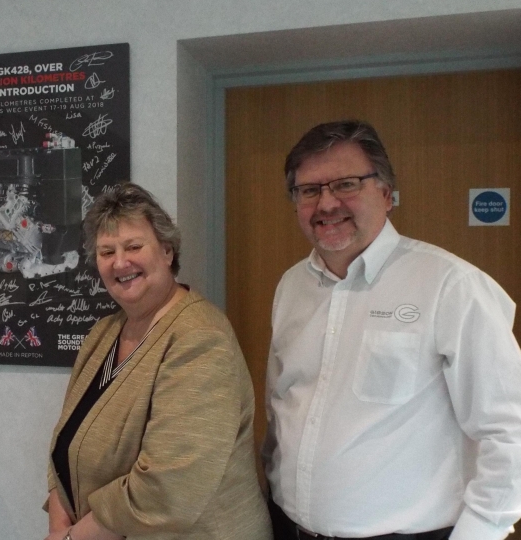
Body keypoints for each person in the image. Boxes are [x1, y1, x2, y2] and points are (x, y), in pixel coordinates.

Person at [263, 120, 521, 540]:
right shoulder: (292, 286)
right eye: (309, 190)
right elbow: (281, 405)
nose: (326, 204)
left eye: (346, 184)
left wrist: (481, 531)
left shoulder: (450, 286)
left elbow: (509, 429)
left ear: (385, 194)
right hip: (291, 527)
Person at [45, 183, 272, 540]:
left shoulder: (200, 337)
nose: (120, 262)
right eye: (107, 252)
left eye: (134, 246)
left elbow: (168, 488)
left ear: (167, 251)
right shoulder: (103, 333)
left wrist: (73, 538)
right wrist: (58, 519)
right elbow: (69, 437)